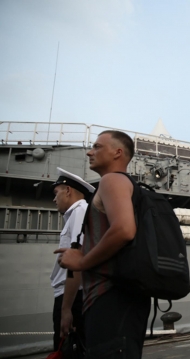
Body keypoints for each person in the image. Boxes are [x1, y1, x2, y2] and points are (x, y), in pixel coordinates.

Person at [56, 130, 151, 359]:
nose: (90, 151)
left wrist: (82, 261)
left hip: (110, 298)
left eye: (97, 146)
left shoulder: (111, 180)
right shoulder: (129, 186)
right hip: (125, 296)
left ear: (118, 152)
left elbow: (124, 230)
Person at [50, 168, 95, 351]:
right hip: (73, 296)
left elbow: (77, 260)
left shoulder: (79, 212)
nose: (54, 199)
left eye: (56, 192)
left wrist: (66, 309)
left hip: (73, 297)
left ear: (67, 190)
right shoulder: (78, 213)